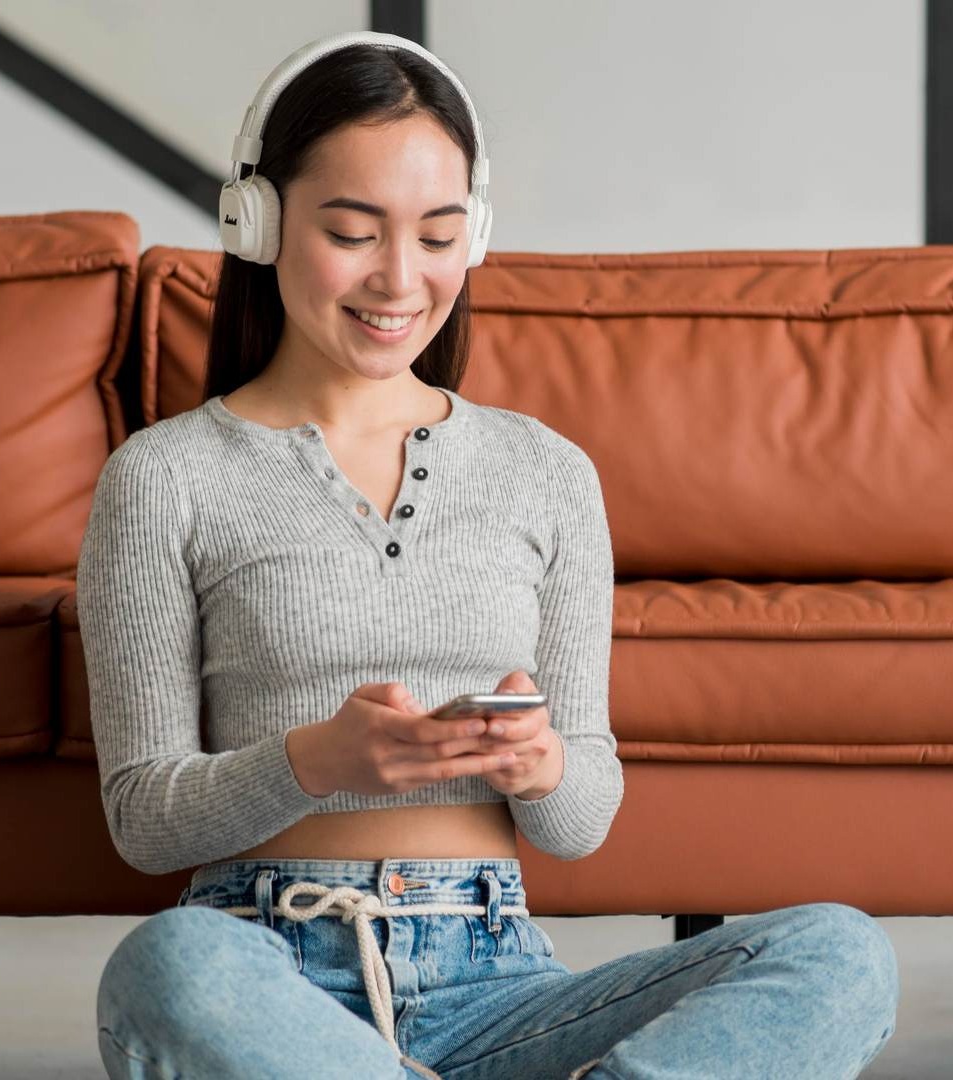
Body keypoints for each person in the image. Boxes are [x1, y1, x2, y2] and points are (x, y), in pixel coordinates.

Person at [75, 30, 900, 1080]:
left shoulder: (545, 472)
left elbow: (581, 819)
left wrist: (542, 764)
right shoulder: (164, 477)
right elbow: (145, 818)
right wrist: (312, 763)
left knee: (838, 951)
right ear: (262, 221)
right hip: (266, 973)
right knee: (166, 969)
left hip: (500, 988)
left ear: (476, 238)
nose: (400, 277)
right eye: (353, 230)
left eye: (437, 234)